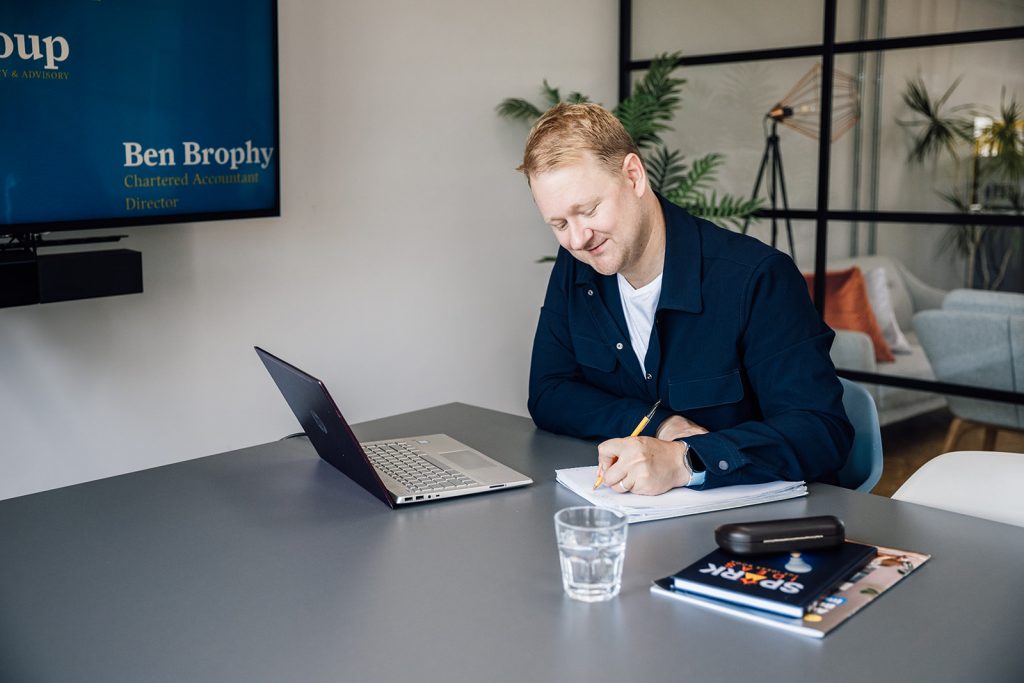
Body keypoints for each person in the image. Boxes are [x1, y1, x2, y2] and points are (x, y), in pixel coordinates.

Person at [520, 102, 853, 494]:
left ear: (633, 176)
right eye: (559, 224)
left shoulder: (756, 278)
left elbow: (821, 429)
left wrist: (686, 459)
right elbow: (549, 391)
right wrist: (659, 422)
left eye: (589, 210)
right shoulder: (577, 265)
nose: (577, 239)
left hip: (760, 525)